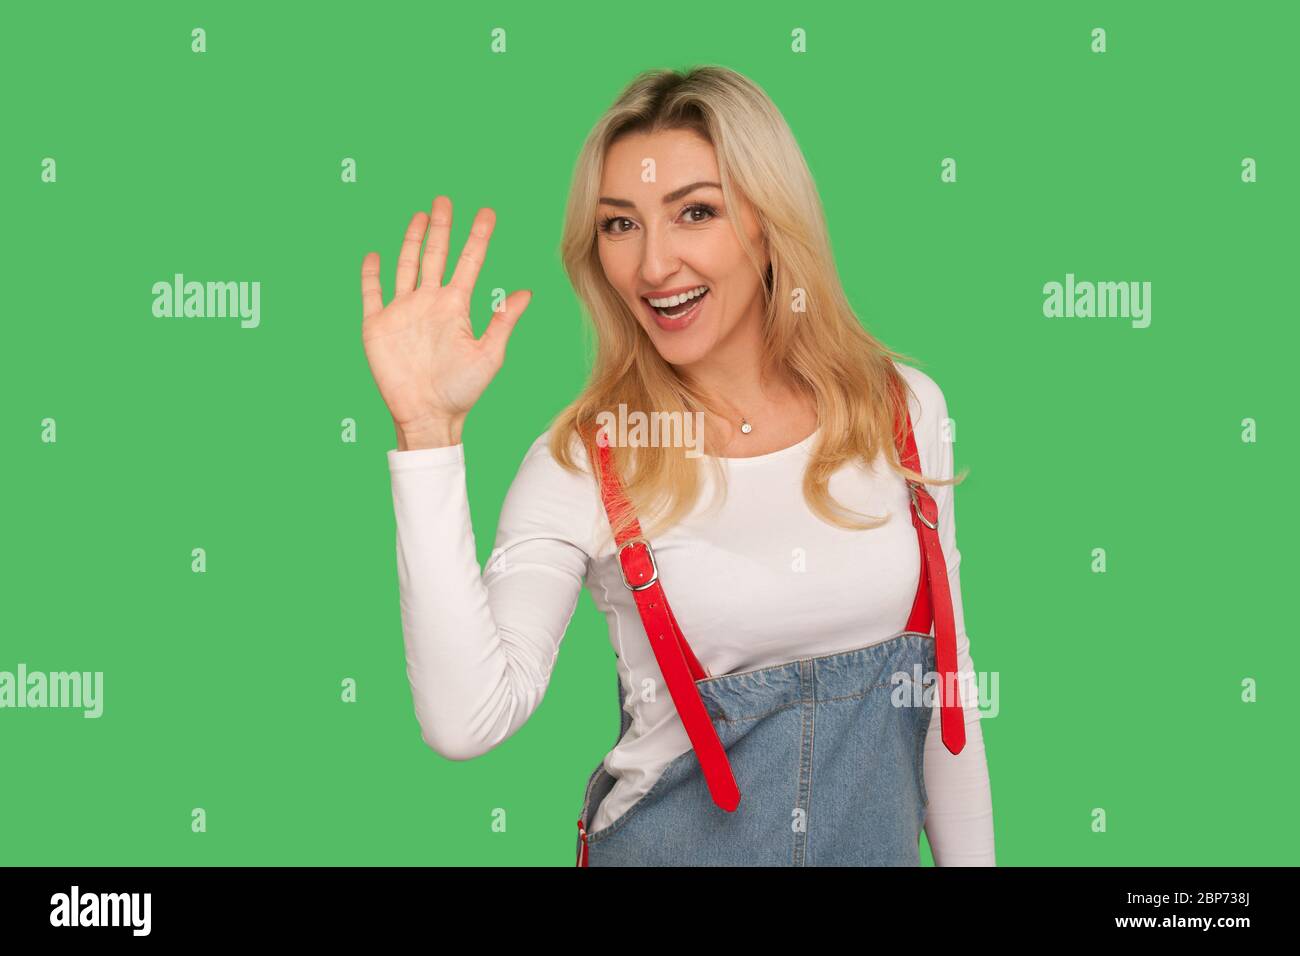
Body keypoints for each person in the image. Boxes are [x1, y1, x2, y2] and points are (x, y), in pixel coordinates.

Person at [361, 65, 995, 866]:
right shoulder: (586, 462)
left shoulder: (902, 411)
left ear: (768, 222)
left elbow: (948, 695)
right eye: (619, 224)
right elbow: (466, 718)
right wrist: (427, 432)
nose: (653, 265)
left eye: (695, 212)